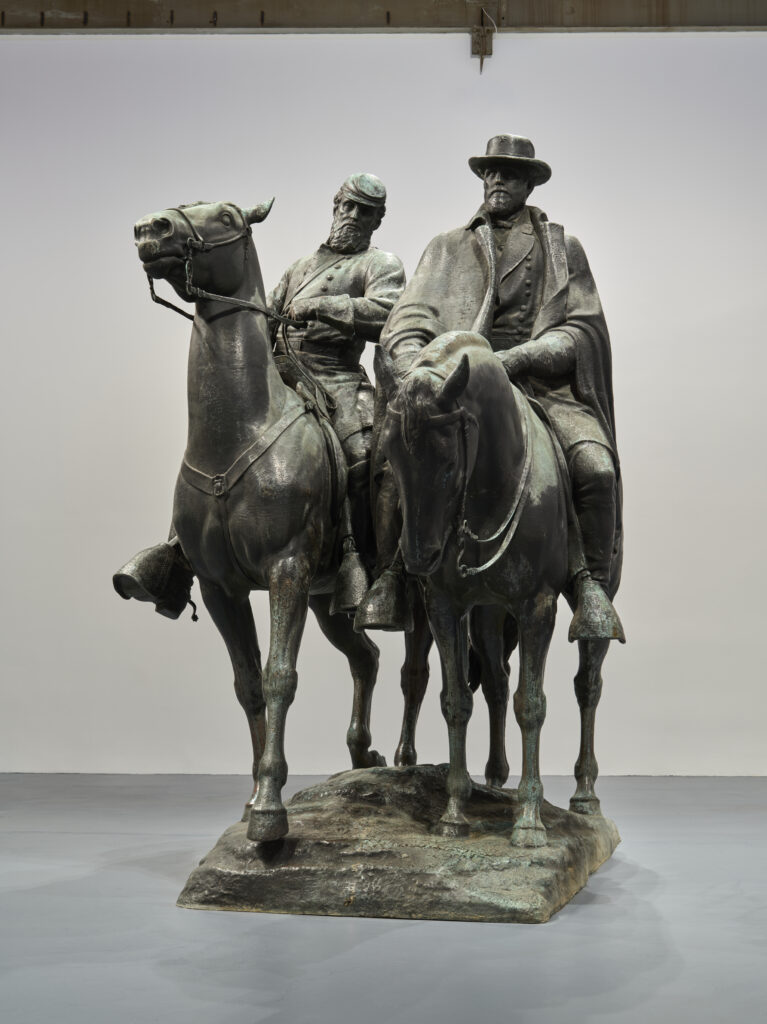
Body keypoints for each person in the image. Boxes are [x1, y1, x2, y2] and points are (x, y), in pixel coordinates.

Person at [356, 135, 623, 640]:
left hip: (538, 388)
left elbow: (580, 330)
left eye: (508, 173)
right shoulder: (446, 247)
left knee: (596, 468)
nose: (497, 181)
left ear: (529, 182)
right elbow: (406, 322)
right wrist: (420, 371)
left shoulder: (561, 249)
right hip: (451, 391)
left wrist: (513, 359)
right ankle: (393, 572)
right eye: (490, 172)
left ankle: (589, 585)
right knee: (392, 464)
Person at [114, 173, 405, 618]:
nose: (353, 217)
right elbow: (264, 314)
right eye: (348, 206)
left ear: (377, 219)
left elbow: (389, 311)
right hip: (284, 372)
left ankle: (374, 567)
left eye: (365, 211)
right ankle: (177, 554)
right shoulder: (300, 267)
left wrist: (332, 307)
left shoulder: (379, 263)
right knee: (216, 444)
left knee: (365, 453)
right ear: (335, 206)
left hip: (337, 378)